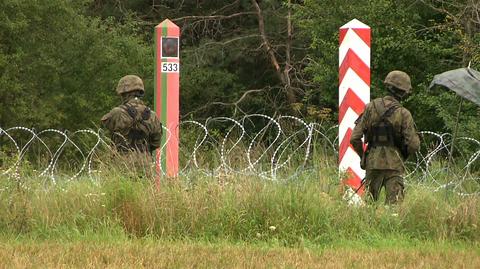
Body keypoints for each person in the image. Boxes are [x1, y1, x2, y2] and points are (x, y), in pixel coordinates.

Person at [350, 70, 420, 204]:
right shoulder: (404, 114)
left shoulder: (370, 107)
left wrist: (363, 157)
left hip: (372, 163)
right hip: (394, 165)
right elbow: (414, 145)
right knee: (394, 210)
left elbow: (354, 138)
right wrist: (402, 155)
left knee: (369, 207)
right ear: (404, 92)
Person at [101, 75, 162, 154]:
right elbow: (156, 143)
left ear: (124, 94)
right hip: (145, 162)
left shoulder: (117, 113)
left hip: (120, 162)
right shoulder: (152, 115)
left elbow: (103, 132)